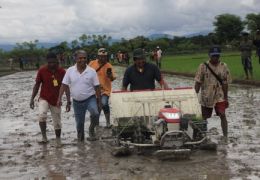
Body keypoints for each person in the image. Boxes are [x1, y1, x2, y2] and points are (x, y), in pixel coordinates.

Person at [57, 50, 101, 142]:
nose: (83, 60)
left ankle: (91, 129)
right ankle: (81, 143)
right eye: (80, 58)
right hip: (77, 101)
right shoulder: (70, 71)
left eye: (84, 58)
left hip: (90, 98)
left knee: (95, 113)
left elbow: (97, 87)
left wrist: (99, 101)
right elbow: (64, 85)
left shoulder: (91, 71)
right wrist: (60, 98)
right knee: (79, 124)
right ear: (75, 59)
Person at [194, 46, 232, 139]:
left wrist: (226, 98)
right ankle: (202, 136)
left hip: (220, 96)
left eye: (217, 56)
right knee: (204, 117)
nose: (215, 58)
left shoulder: (224, 66)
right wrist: (194, 97)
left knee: (222, 115)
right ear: (209, 55)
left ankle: (225, 136)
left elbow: (225, 83)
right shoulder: (203, 66)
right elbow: (198, 82)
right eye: (213, 56)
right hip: (206, 96)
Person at [30, 52, 67, 143]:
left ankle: (58, 139)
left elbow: (66, 86)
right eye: (50, 62)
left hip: (56, 100)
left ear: (57, 61)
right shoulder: (42, 70)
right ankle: (44, 137)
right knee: (42, 115)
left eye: (54, 62)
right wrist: (32, 99)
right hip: (44, 98)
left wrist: (68, 100)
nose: (52, 64)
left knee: (57, 122)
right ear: (47, 62)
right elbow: (37, 85)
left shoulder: (62, 71)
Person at [89, 48, 116, 128]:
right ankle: (95, 123)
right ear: (98, 56)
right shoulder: (92, 63)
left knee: (104, 103)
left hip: (105, 90)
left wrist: (110, 76)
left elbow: (112, 78)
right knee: (95, 107)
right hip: (93, 90)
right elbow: (86, 73)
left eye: (104, 56)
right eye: (101, 56)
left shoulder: (109, 65)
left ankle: (108, 122)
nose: (103, 58)